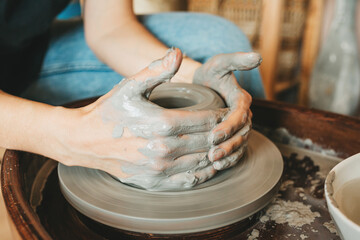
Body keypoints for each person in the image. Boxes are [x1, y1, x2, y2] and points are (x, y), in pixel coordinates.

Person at [0, 0, 264, 190]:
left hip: (24, 56)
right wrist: (72, 136)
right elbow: (70, 136)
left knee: (222, 42)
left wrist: (194, 81)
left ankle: (250, 178)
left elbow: (109, 28)